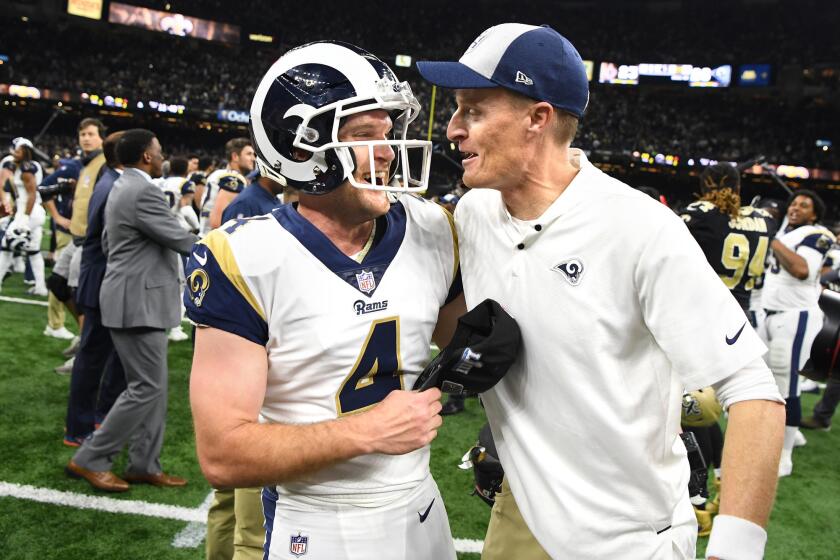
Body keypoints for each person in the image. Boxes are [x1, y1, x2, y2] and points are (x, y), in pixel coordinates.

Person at [418, 23, 785, 560]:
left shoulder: (639, 227)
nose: (453, 128)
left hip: (630, 533)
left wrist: (735, 549)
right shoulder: (475, 213)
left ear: (537, 118)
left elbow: (754, 391)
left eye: (473, 109)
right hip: (522, 513)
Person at [187, 41, 462, 560]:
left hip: (424, 507)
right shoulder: (243, 255)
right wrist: (368, 429)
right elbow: (223, 454)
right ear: (299, 148)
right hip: (319, 519)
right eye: (364, 136)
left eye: (387, 133)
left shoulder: (432, 229)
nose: (387, 151)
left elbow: (474, 344)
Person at [66, 129, 197, 492]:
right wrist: (228, 243)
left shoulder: (123, 186)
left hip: (133, 297)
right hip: (137, 302)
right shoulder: (141, 190)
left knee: (151, 386)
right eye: (159, 151)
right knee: (145, 387)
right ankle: (92, 457)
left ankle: (143, 463)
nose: (163, 155)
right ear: (146, 157)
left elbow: (110, 243)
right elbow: (183, 239)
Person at [758, 190, 835, 476]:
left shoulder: (818, 233)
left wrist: (773, 240)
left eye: (804, 205)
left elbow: (802, 269)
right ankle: (794, 435)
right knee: (767, 380)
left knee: (787, 384)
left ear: (814, 214)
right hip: (770, 313)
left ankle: (785, 457)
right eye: (794, 203)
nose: (796, 208)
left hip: (796, 316)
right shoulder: (785, 233)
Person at [64, 131, 127, 447]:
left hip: (105, 278)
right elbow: (107, 240)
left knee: (110, 355)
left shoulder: (110, 180)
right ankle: (78, 428)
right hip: (102, 279)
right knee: (92, 357)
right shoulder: (111, 184)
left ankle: (99, 417)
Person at [0, 137, 47, 296]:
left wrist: (25, 218)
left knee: (6, 245)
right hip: (29, 211)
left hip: (29, 211)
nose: (14, 153)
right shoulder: (23, 165)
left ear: (25, 153)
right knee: (33, 250)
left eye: (17, 151)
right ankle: (40, 287)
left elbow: (31, 195)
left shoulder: (27, 168)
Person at [196, 138, 252, 236]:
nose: (253, 158)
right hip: (216, 242)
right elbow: (218, 222)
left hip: (206, 237)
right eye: (249, 154)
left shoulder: (221, 173)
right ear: (235, 156)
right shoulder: (233, 178)